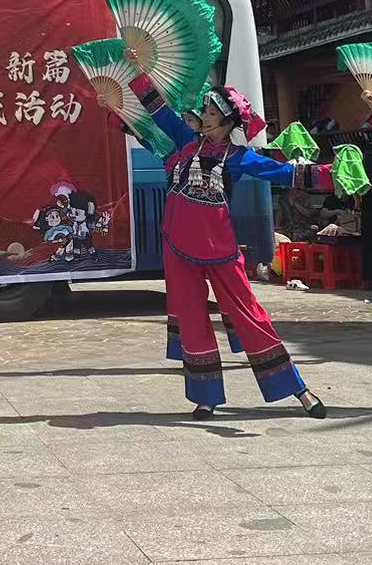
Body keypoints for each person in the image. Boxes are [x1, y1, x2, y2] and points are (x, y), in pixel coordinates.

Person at [100, 53, 335, 420]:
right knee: (193, 319)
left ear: (227, 121)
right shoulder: (184, 141)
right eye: (204, 112)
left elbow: (283, 172)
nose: (204, 117)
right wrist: (137, 71)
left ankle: (298, 389)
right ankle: (206, 397)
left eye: (211, 113)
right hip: (177, 243)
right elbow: (158, 111)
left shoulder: (240, 157)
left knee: (251, 315)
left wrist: (331, 174)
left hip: (220, 249)